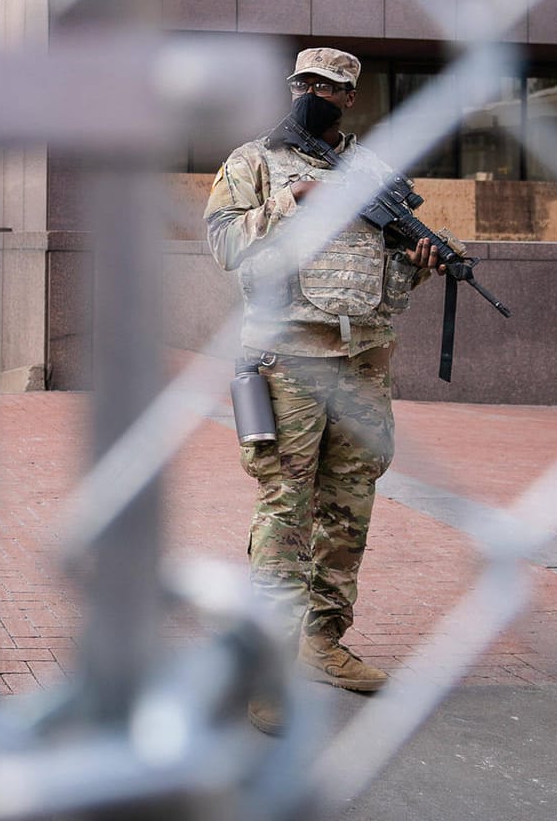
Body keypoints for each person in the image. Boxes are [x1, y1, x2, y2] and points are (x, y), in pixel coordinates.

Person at [202, 46, 445, 735]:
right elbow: (221, 246)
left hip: (364, 362)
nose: (315, 92)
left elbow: (386, 274)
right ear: (292, 87)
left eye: (331, 86)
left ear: (350, 97)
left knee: (349, 505)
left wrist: (420, 264)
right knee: (286, 507)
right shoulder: (254, 161)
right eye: (305, 82)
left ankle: (323, 642)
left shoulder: (372, 174)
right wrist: (291, 199)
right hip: (287, 362)